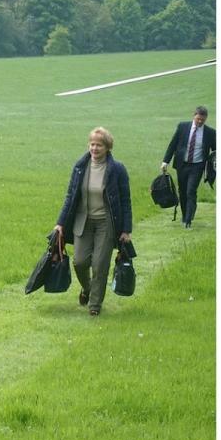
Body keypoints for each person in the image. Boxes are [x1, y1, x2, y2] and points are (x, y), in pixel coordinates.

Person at [54, 127, 132, 316]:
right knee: (79, 262)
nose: (95, 148)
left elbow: (125, 201)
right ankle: (88, 289)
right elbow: (70, 196)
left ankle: (95, 305)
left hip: (106, 223)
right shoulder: (80, 167)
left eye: (99, 145)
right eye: (92, 144)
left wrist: (126, 230)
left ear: (107, 147)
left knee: (99, 264)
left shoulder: (117, 169)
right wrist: (61, 223)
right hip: (84, 221)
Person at [162, 106, 217, 229]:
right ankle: (185, 215)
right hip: (182, 164)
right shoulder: (182, 127)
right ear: (194, 116)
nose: (200, 122)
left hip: (197, 166)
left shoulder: (210, 132)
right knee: (183, 191)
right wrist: (165, 161)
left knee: (190, 191)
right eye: (198, 119)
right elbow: (173, 144)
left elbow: (215, 150)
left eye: (203, 120)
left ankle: (188, 220)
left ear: (206, 119)